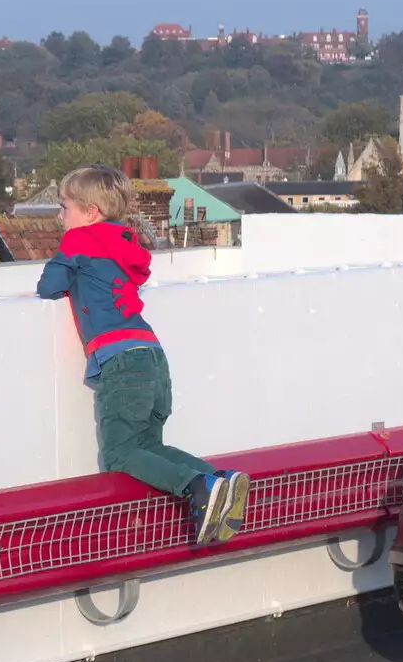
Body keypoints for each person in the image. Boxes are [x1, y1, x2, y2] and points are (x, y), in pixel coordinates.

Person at [36, 164, 249, 545]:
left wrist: (65, 260)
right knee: (149, 447)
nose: (59, 216)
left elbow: (49, 287)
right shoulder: (123, 244)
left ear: (90, 213)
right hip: (152, 356)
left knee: (120, 454)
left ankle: (198, 485)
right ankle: (218, 479)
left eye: (65, 207)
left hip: (120, 362)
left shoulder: (80, 242)